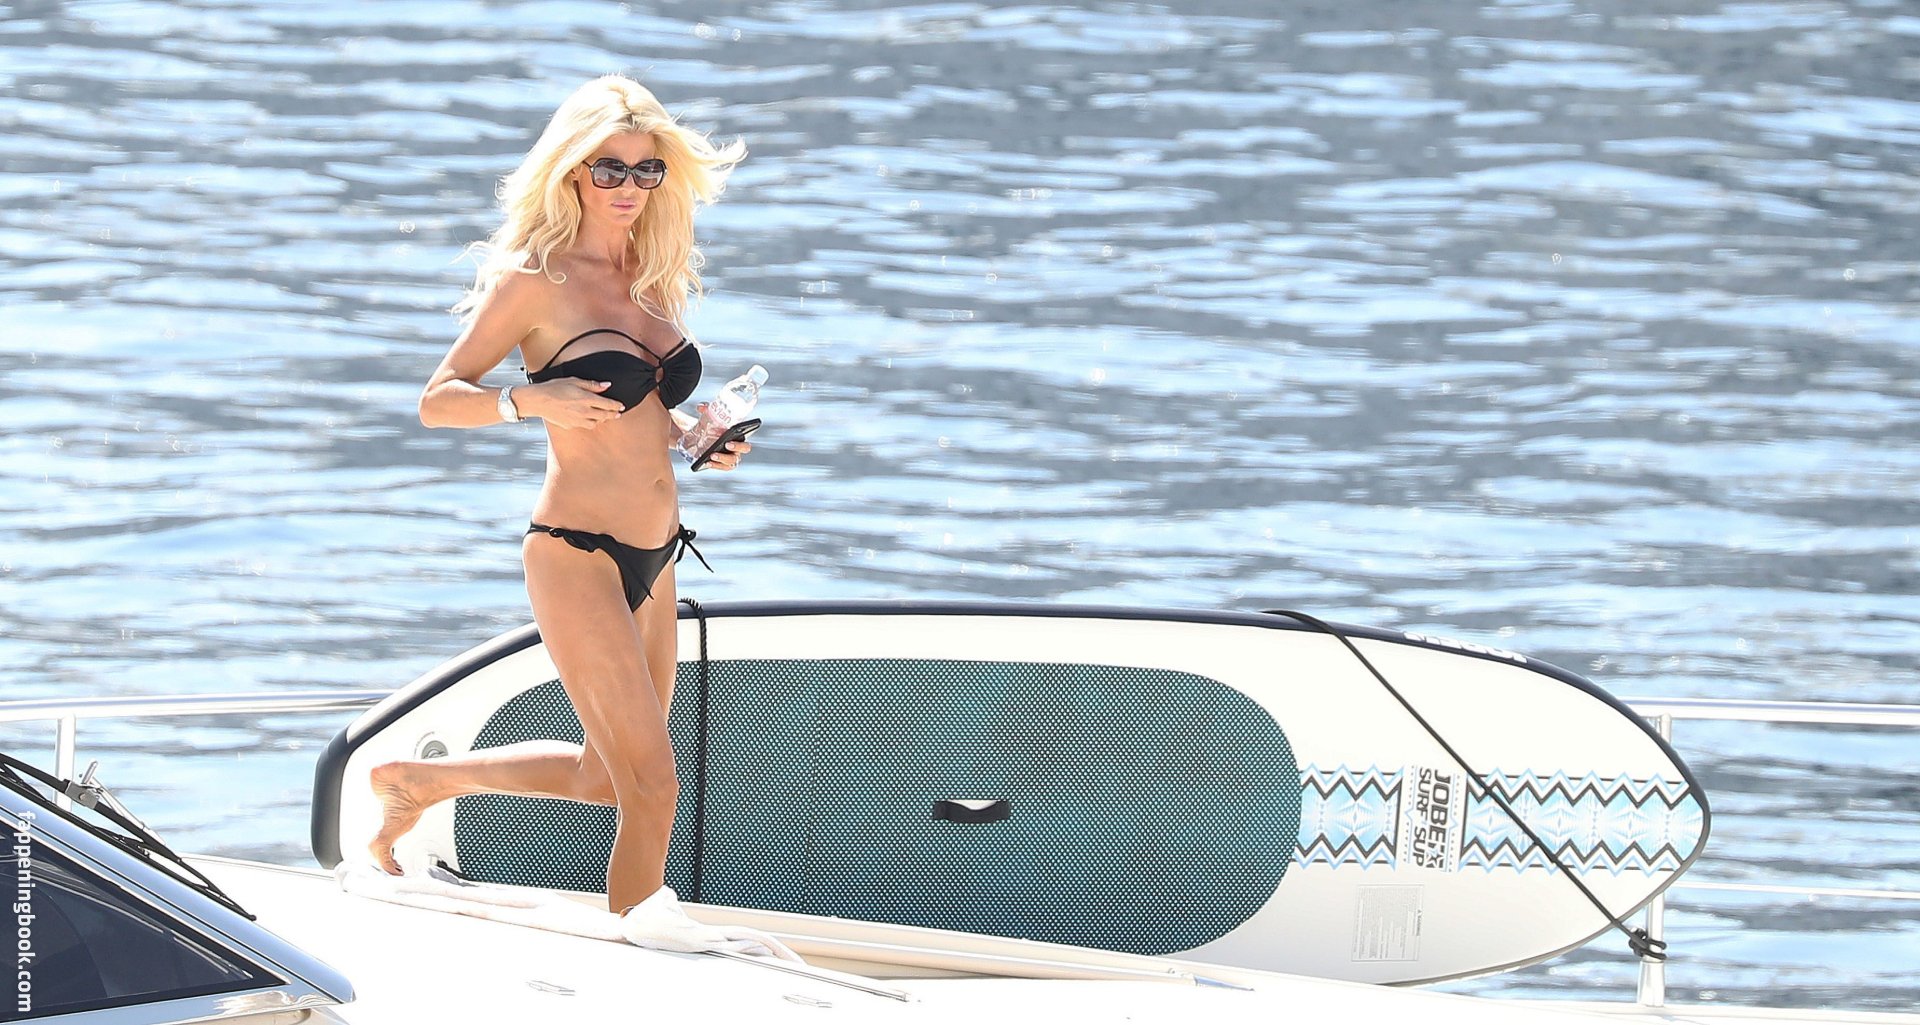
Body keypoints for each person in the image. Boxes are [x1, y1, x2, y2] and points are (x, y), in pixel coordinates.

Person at [365, 74, 750, 915]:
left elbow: (640, 411)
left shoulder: (652, 273)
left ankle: (422, 782)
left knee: (605, 777)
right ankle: (640, 963)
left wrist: (698, 439)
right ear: (573, 170)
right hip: (578, 554)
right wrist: (528, 400)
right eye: (608, 168)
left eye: (645, 170)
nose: (627, 187)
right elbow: (437, 400)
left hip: (658, 553)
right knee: (655, 785)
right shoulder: (535, 280)